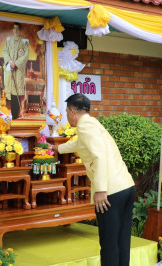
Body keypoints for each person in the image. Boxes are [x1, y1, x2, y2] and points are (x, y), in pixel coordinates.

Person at [52, 93, 135, 266]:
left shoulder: (84, 126)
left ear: (73, 111)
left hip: (110, 192)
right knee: (121, 240)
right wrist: (57, 148)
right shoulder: (92, 123)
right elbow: (79, 144)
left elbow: (99, 156)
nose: (67, 115)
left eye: (67, 111)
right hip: (125, 186)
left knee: (109, 243)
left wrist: (100, 190)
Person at [3, 22, 29, 119]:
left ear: (20, 30)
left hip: (18, 70)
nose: (15, 31)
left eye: (17, 29)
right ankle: (7, 113)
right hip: (10, 69)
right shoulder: (8, 41)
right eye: (14, 29)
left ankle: (15, 115)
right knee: (9, 90)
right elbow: (5, 51)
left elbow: (26, 56)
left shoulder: (24, 42)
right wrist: (10, 61)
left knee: (16, 92)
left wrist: (16, 63)